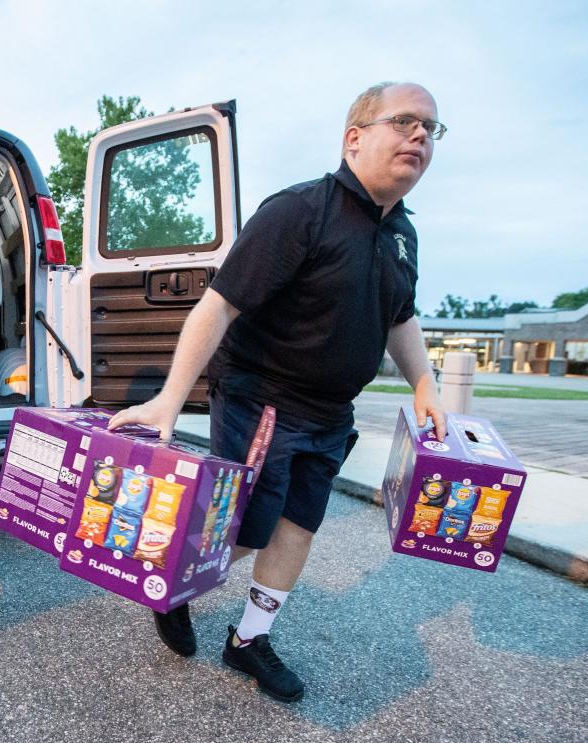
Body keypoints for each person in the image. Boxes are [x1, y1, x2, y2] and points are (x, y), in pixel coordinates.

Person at [108, 82, 448, 703]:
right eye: (405, 122)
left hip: (330, 413)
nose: (421, 136)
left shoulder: (403, 233)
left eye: (432, 128)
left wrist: (425, 383)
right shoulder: (300, 211)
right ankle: (174, 585)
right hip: (262, 398)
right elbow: (217, 307)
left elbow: (401, 316)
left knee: (299, 525)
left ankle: (249, 641)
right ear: (355, 137)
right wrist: (168, 398)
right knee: (245, 527)